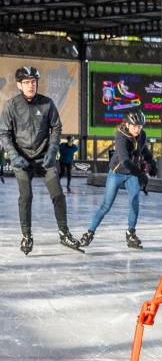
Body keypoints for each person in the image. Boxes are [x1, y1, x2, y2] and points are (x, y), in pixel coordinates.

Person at [0, 66, 81, 254]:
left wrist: (52, 151)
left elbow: (56, 128)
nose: (31, 85)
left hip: (45, 158)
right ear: (19, 85)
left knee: (58, 195)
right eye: (26, 82)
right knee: (26, 197)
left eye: (33, 82)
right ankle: (27, 236)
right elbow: (4, 133)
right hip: (21, 160)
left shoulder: (47, 103)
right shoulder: (11, 106)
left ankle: (64, 233)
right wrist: (14, 156)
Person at [79, 109, 153, 250]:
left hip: (132, 174)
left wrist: (152, 161)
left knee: (134, 202)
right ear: (127, 124)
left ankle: (131, 233)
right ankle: (89, 233)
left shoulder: (142, 134)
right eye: (135, 126)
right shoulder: (121, 136)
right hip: (117, 173)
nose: (138, 129)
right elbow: (125, 161)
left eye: (140, 126)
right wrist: (141, 173)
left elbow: (144, 150)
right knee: (106, 205)